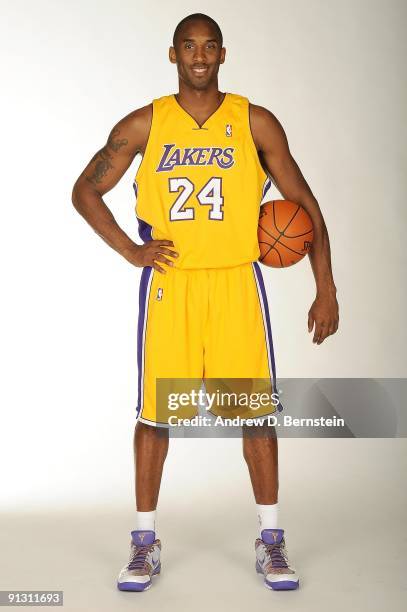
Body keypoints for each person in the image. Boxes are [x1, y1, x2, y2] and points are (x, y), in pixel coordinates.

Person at [72, 12, 339, 593]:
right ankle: (144, 544)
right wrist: (129, 251)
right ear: (173, 55)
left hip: (237, 283)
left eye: (209, 46)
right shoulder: (145, 124)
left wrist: (327, 285)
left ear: (223, 53)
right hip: (171, 285)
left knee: (257, 416)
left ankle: (271, 541)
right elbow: (85, 189)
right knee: (155, 415)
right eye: (188, 46)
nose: (199, 55)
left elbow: (306, 204)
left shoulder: (254, 122)